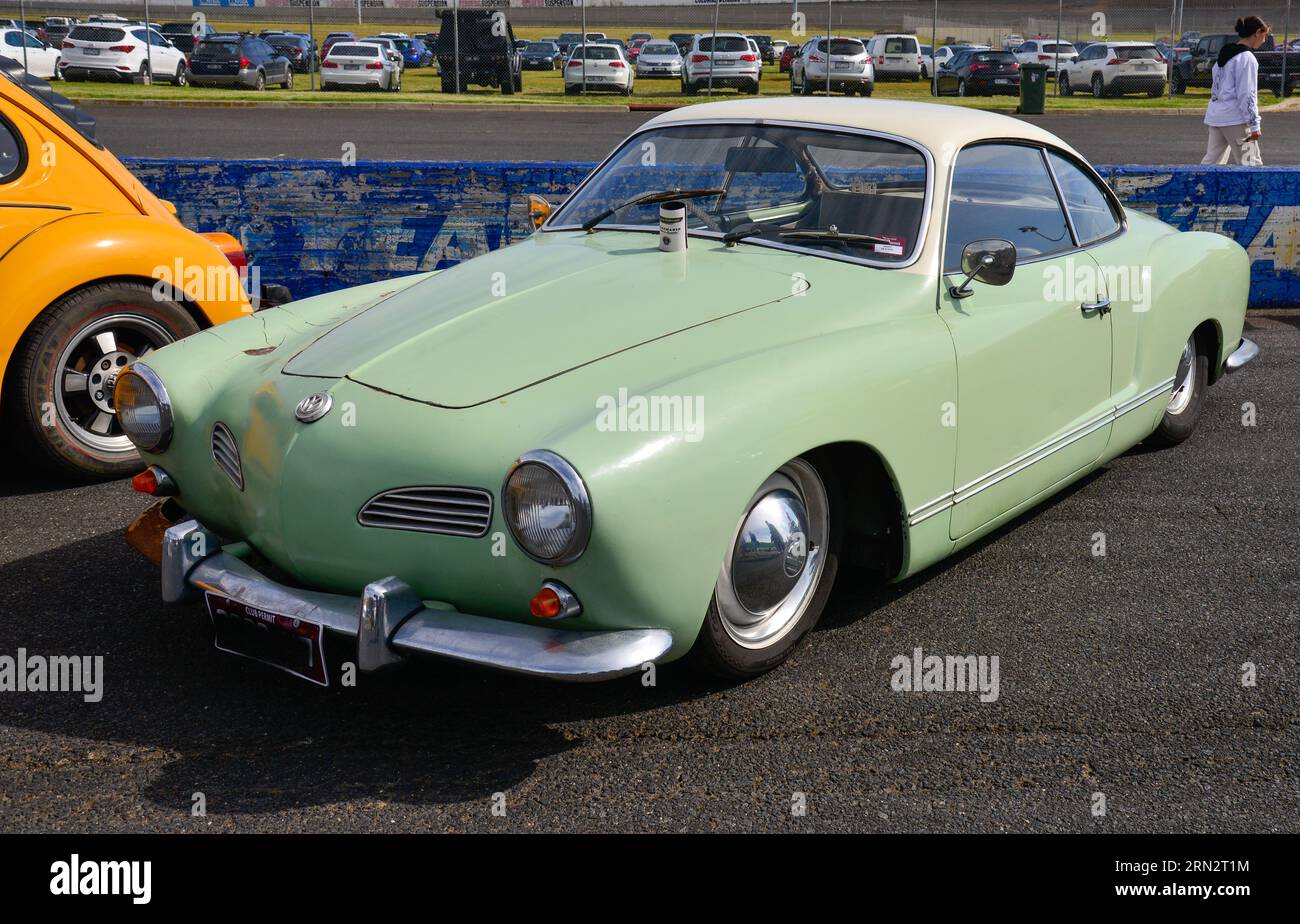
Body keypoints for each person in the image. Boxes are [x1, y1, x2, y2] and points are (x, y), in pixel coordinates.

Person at [1201, 16, 1270, 165]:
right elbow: (1247, 94)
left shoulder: (1225, 54)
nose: (1264, 40)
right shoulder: (1246, 58)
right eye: (1265, 35)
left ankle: (1200, 187)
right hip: (1235, 119)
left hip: (1216, 116)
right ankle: (1253, 189)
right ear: (1257, 32)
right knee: (1251, 164)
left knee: (1212, 163)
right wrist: (1254, 125)